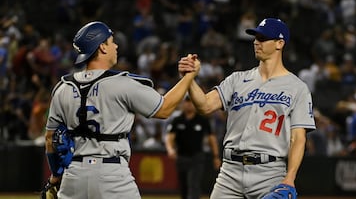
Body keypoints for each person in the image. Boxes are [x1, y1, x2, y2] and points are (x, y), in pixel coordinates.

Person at [43, 21, 200, 199]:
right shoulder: (122, 83)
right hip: (111, 174)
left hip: (73, 176)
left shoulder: (62, 88)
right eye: (111, 41)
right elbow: (164, 109)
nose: (116, 46)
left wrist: (55, 177)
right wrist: (189, 77)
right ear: (102, 47)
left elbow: (50, 140)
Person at [178, 18, 316, 198]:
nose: (256, 42)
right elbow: (204, 106)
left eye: (263, 38)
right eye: (255, 37)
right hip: (229, 171)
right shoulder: (237, 79)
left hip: (270, 172)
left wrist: (290, 178)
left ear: (279, 43)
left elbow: (298, 138)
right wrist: (189, 79)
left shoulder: (297, 87)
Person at [165, 96, 221, 199]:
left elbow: (211, 139)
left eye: (191, 102)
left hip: (197, 157)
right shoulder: (178, 120)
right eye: (187, 102)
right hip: (181, 157)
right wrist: (170, 149)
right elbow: (170, 137)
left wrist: (216, 156)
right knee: (184, 187)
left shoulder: (202, 120)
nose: (189, 104)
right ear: (183, 104)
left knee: (193, 184)